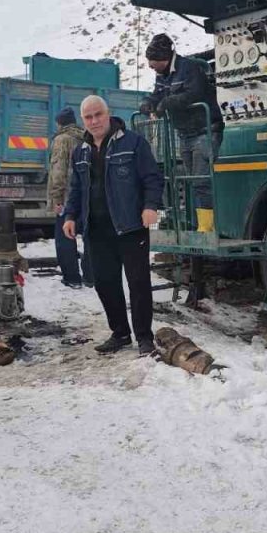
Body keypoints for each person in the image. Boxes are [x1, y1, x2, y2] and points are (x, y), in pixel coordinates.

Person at [63, 96, 164, 355]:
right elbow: (75, 188)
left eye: (98, 115)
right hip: (96, 229)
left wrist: (151, 206)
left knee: (138, 283)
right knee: (104, 283)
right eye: (88, 117)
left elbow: (152, 177)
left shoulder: (133, 143)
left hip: (130, 226)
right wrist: (70, 216)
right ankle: (120, 333)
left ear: (108, 115)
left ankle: (144, 337)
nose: (94, 121)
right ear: (83, 120)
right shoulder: (80, 151)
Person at [139, 33, 223, 233]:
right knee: (190, 181)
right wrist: (149, 103)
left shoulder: (190, 68)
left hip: (206, 130)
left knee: (201, 180)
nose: (150, 66)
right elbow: (157, 94)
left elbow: (194, 93)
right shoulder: (162, 74)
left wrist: (167, 103)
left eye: (153, 62)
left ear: (163, 58)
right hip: (184, 134)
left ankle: (206, 229)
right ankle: (194, 224)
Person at [48, 107, 92, 289]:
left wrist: (57, 199)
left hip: (67, 197)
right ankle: (91, 276)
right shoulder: (85, 138)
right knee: (89, 237)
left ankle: (72, 278)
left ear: (60, 123)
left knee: (64, 237)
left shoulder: (62, 140)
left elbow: (58, 172)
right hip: (86, 196)